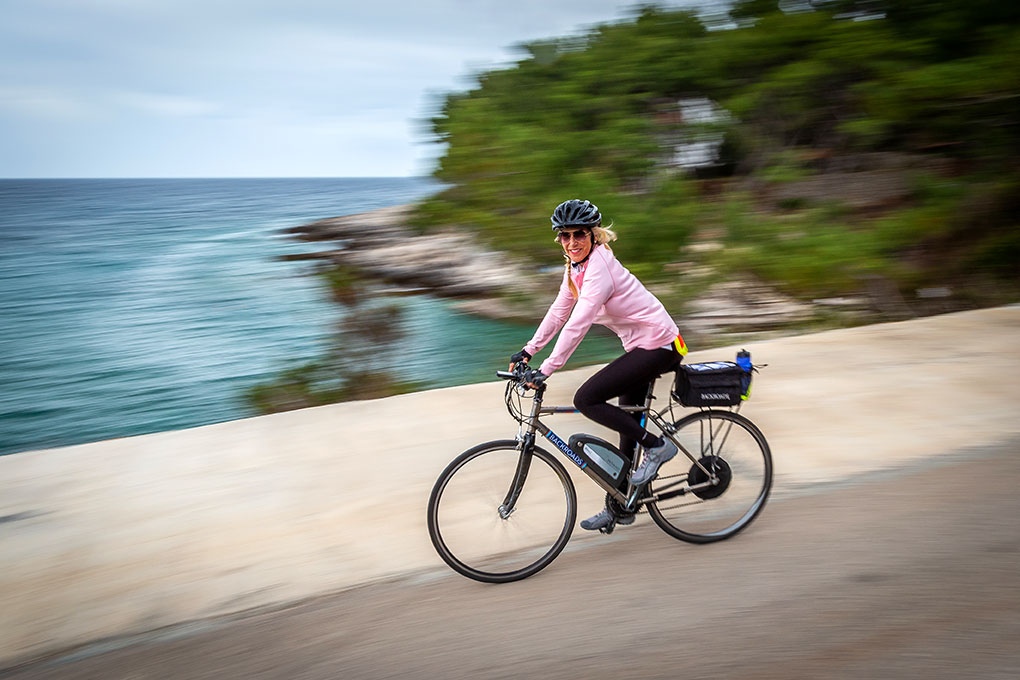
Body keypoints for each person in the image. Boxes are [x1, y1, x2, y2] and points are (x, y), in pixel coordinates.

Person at [509, 198, 688, 532]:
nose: (572, 242)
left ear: (593, 235)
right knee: (626, 426)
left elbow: (579, 322)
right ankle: (623, 504)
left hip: (661, 345)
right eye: (565, 236)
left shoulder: (599, 269)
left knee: (586, 400)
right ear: (559, 238)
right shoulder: (576, 269)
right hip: (640, 346)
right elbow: (559, 311)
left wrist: (547, 368)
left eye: (579, 234)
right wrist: (527, 351)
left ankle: (659, 447)